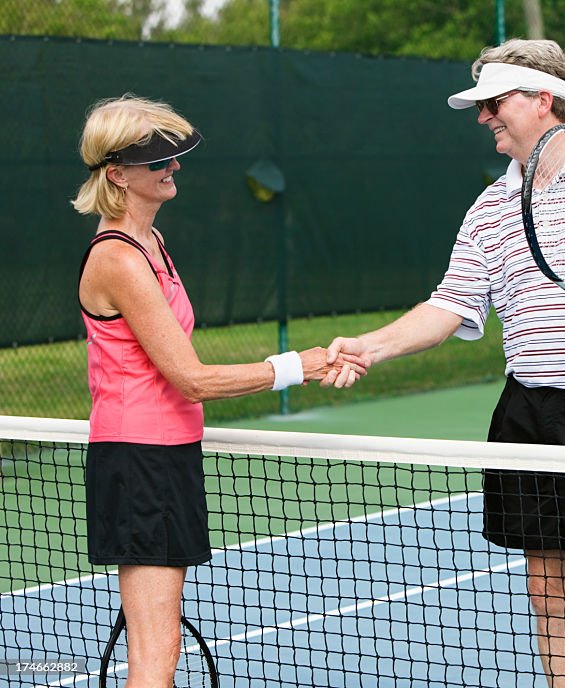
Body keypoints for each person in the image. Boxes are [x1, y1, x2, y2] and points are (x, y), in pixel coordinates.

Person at [322, 39, 565, 687]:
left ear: (543, 99)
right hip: (527, 412)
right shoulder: (490, 208)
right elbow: (448, 307)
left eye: (494, 102)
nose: (483, 117)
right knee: (549, 598)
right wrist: (372, 346)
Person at [73, 94, 366, 688]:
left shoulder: (152, 244)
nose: (173, 167)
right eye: (157, 160)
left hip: (166, 455)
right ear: (117, 175)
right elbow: (191, 378)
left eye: (173, 157)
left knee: (163, 648)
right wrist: (298, 366)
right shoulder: (119, 259)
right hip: (139, 460)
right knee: (155, 655)